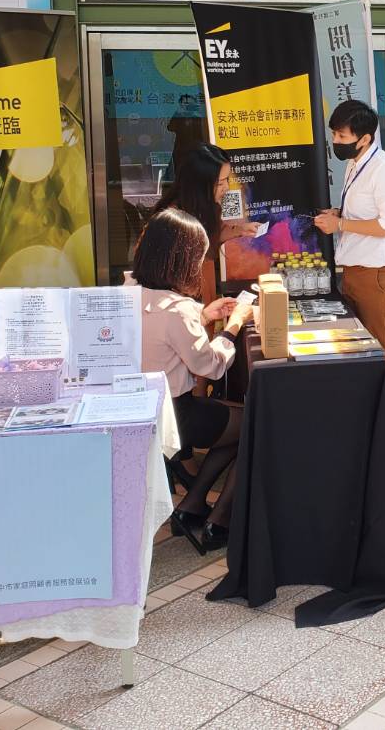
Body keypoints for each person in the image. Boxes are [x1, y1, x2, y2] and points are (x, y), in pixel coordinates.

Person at [128, 207, 253, 554]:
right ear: (182, 260)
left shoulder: (127, 292)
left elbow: (160, 332)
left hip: (138, 412)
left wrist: (203, 314)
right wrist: (233, 326)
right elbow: (210, 367)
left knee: (233, 423)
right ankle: (220, 519)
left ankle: (193, 503)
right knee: (255, 422)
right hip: (174, 417)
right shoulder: (178, 309)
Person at [314, 100, 385, 445]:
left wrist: (340, 224)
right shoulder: (356, 164)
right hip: (355, 270)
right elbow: (365, 212)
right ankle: (367, 430)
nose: (335, 142)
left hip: (377, 276)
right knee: (359, 355)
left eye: (342, 136)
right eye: (334, 134)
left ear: (364, 138)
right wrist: (340, 213)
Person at [155, 143, 262, 304]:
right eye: (220, 183)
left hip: (203, 291)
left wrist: (240, 230)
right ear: (198, 184)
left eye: (227, 180)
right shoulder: (172, 220)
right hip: (180, 301)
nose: (226, 188)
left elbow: (214, 232)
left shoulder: (208, 206)